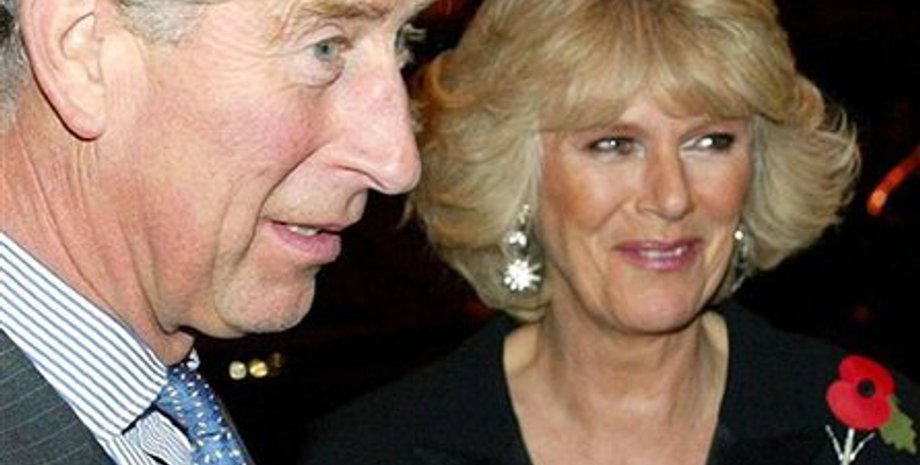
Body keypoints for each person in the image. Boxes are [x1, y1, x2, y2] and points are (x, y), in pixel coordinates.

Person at [298, 0, 920, 464]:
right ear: (515, 174)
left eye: (710, 142)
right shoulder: (376, 450)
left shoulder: (878, 435)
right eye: (614, 145)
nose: (671, 197)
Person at [0, 0, 432, 463]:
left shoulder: (168, 410)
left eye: (403, 46)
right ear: (83, 54)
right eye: (324, 49)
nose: (398, 165)